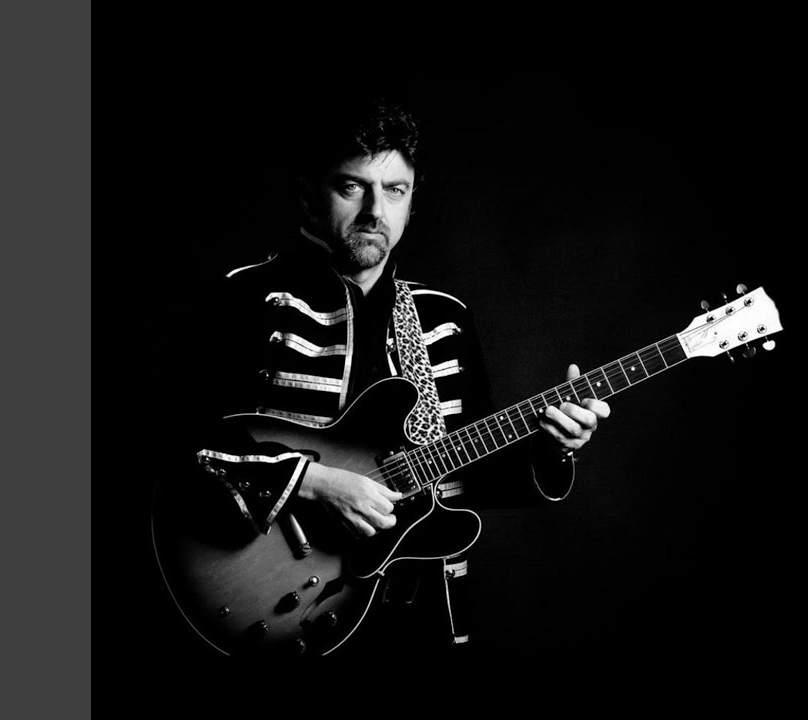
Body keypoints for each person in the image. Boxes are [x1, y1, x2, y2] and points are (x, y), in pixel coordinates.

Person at [182, 97, 611, 667]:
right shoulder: (244, 298)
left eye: (395, 190)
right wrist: (314, 483)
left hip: (418, 613)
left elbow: (471, 468)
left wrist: (553, 446)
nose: (374, 211)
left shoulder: (444, 317)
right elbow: (178, 446)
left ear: (411, 202)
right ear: (309, 194)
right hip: (278, 599)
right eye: (352, 187)